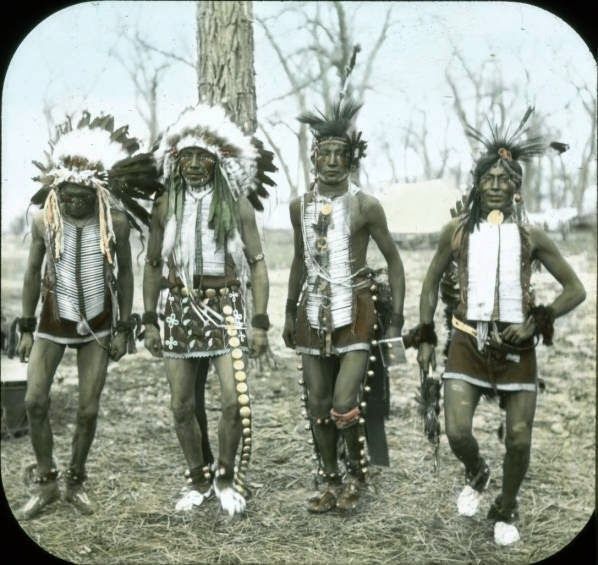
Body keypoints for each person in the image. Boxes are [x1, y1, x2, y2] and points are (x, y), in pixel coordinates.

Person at [416, 109, 586, 545]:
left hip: (517, 348)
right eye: (487, 178)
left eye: (504, 178)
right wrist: (425, 335)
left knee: (518, 437)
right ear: (476, 185)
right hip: (466, 340)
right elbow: (431, 282)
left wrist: (535, 323)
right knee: (456, 430)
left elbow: (575, 289)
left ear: (516, 187)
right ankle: (477, 473)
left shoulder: (532, 236)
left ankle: (506, 506)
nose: (495, 185)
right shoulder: (455, 230)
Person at [16, 112, 158, 520]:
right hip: (51, 323)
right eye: (67, 195)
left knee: (88, 410)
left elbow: (128, 273)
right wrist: (27, 327)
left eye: (81, 195)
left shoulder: (116, 223)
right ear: (55, 191)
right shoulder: (45, 220)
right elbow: (30, 273)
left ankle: (75, 481)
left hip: (99, 326)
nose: (74, 201)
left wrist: (125, 327)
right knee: (34, 401)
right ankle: (46, 481)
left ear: (96, 192)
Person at [143, 104, 276, 517]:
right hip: (178, 308)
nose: (196, 164)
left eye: (204, 156)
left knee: (235, 402)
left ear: (217, 160)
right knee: (182, 405)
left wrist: (259, 323)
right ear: (175, 160)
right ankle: (197, 478)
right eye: (188, 156)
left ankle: (226, 476)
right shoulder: (164, 205)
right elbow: (151, 264)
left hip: (225, 310)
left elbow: (256, 264)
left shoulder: (237, 204)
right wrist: (149, 319)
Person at [283, 97, 406, 512]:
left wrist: (396, 323)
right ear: (314, 157)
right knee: (317, 403)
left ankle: (357, 475)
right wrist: (287, 311)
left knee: (342, 403)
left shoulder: (366, 206)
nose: (333, 161)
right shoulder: (299, 206)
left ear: (352, 160)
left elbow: (394, 260)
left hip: (356, 309)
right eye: (326, 153)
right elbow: (300, 259)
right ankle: (331, 480)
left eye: (341, 154)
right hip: (311, 309)